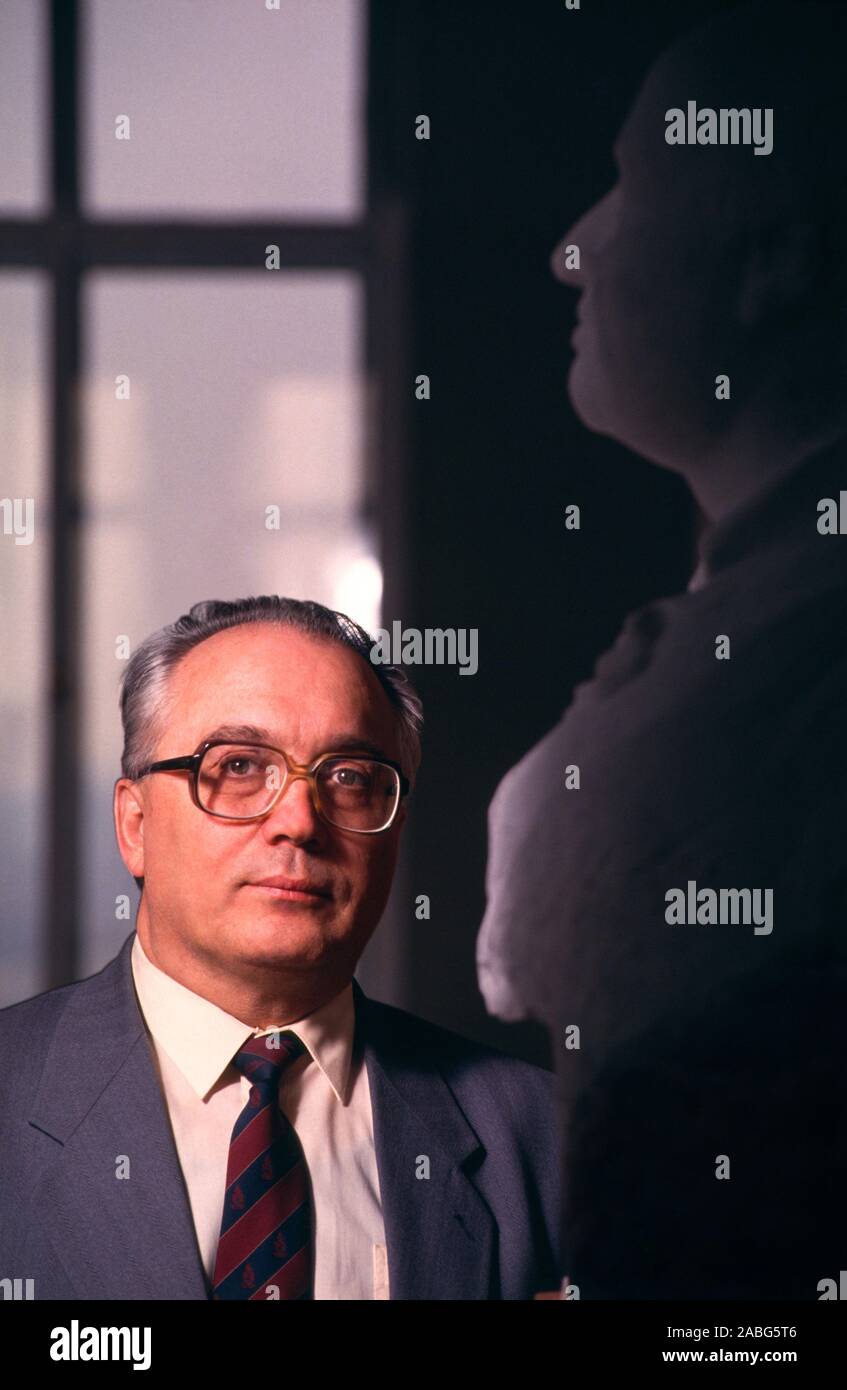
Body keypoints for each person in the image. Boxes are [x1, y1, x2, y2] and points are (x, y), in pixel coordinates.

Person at [477, 0, 847, 1298]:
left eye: (631, 186)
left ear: (774, 257)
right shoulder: (753, 610)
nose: (573, 249)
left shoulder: (773, 673)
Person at [0, 596, 560, 1300]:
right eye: (236, 766)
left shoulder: (545, 1141)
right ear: (135, 824)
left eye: (349, 777)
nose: (298, 821)